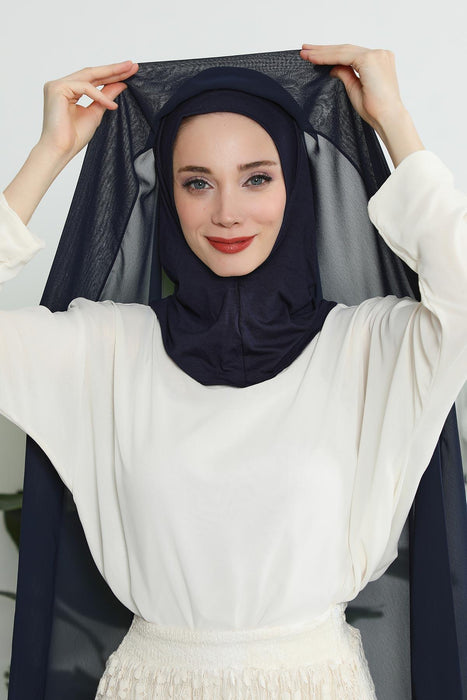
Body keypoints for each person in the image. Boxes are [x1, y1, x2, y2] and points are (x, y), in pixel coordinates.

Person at [1, 44, 467, 699]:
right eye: (197, 182)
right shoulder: (104, 349)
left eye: (256, 178)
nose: (226, 212)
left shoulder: (372, 348)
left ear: (295, 185)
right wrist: (49, 152)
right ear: (168, 194)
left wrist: (393, 120)